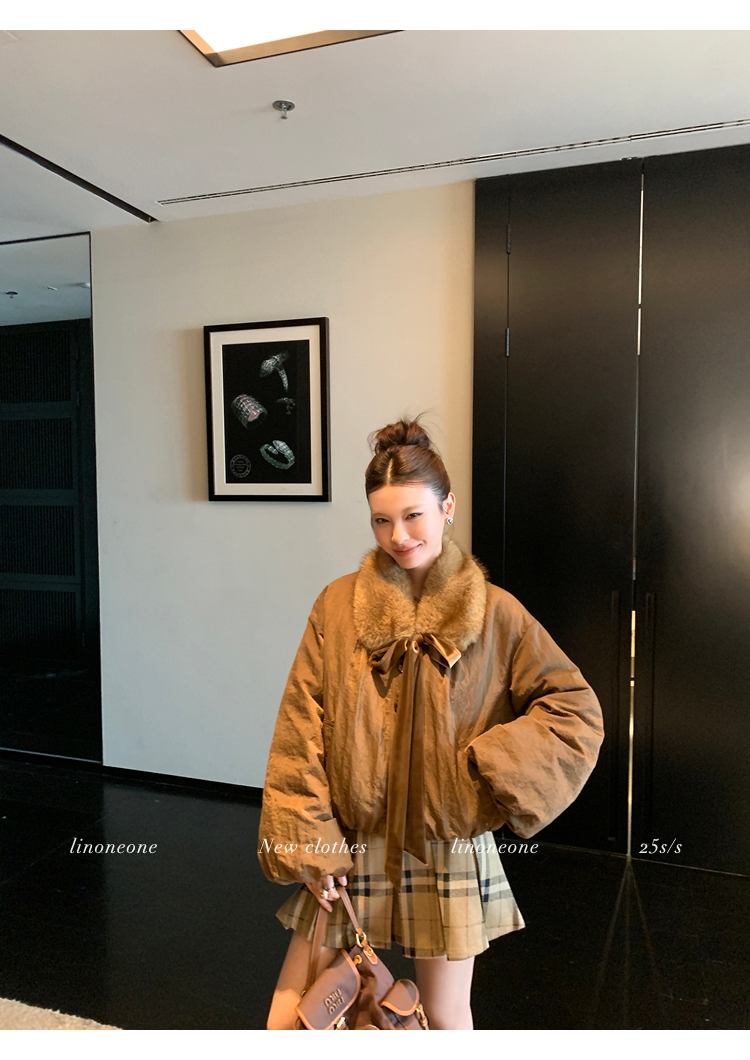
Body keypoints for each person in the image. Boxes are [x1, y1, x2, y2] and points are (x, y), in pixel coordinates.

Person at [258, 415, 604, 1030]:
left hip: (447, 845)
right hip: (348, 838)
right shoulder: (337, 605)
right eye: (381, 520)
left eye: (413, 515)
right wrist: (311, 844)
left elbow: (574, 708)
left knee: (445, 1019)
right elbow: (300, 724)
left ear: (448, 508)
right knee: (292, 1016)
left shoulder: (497, 614)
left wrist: (479, 771)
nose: (398, 536)